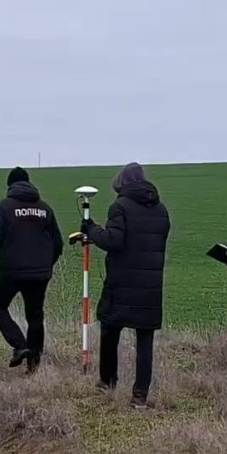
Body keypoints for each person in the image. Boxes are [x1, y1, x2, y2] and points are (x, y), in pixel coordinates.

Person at [76, 162, 170, 408]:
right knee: (145, 339)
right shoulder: (161, 210)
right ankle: (140, 396)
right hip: (151, 285)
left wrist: (91, 229)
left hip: (122, 282)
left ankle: (107, 382)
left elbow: (114, 241)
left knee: (109, 330)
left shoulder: (120, 207)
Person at [0, 166, 63, 373]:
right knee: (35, 317)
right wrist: (46, 265)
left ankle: (20, 345)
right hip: (39, 274)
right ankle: (34, 366)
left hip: (11, 271)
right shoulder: (45, 209)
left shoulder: (4, 207)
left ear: (10, 185)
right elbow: (58, 243)